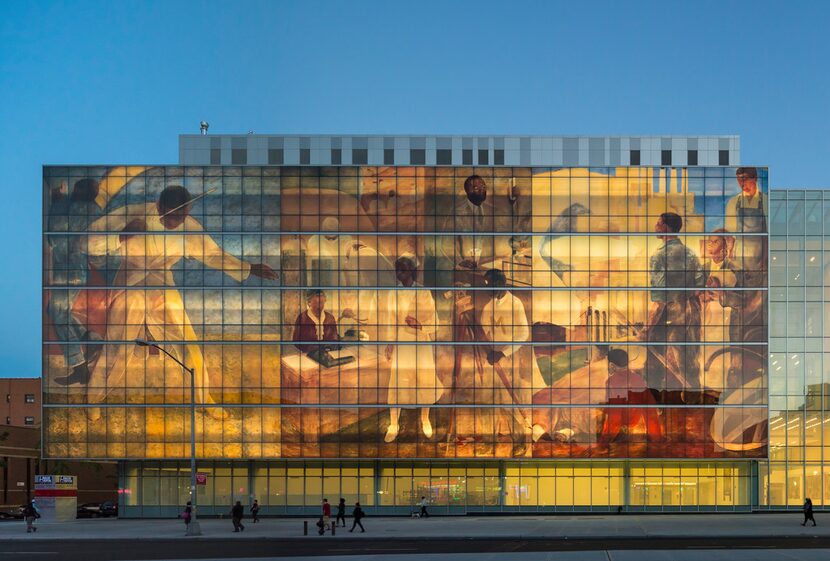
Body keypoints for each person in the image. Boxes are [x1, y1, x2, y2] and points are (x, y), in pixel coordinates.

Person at [84, 185, 279, 418]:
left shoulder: (189, 228)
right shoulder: (132, 214)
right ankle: (93, 399)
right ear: (158, 205)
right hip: (130, 285)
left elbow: (213, 255)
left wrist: (249, 268)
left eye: (181, 216)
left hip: (162, 286)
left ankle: (204, 399)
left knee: (188, 342)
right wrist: (121, 236)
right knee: (118, 344)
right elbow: (87, 242)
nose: (176, 222)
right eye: (171, 215)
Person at [478, 269, 546, 456]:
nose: (488, 289)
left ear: (501, 284)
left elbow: (523, 334)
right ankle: (489, 441)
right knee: (488, 400)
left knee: (510, 401)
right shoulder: (489, 306)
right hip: (493, 359)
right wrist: (490, 350)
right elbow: (485, 329)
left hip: (509, 358)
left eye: (490, 284)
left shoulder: (515, 304)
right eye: (486, 285)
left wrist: (503, 352)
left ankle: (519, 442)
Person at [641, 212, 705, 407]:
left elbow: (659, 299)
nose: (655, 225)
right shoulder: (691, 254)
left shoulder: (658, 256)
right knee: (690, 363)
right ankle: (695, 406)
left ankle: (654, 406)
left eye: (659, 223)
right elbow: (698, 287)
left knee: (653, 363)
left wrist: (646, 329)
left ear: (667, 227)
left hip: (668, 317)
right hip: (690, 313)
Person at [384, 256, 442, 442]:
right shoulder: (393, 293)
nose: (399, 274)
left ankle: (425, 419)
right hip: (402, 343)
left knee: (424, 380)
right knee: (398, 381)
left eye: (403, 270)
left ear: (412, 271)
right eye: (397, 270)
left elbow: (435, 322)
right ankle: (394, 423)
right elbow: (391, 321)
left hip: (420, 344)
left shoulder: (424, 293)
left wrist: (419, 325)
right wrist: (390, 343)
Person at [598, 349, 662, 444]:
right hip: (636, 419)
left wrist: (603, 442)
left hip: (623, 421)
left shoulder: (611, 381)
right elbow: (650, 410)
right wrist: (657, 438)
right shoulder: (638, 379)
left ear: (612, 365)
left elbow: (614, 416)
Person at [725, 167, 767, 287]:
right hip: (740, 253)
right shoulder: (733, 202)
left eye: (745, 179)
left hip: (759, 254)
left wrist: (764, 259)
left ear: (755, 179)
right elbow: (730, 233)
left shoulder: (765, 200)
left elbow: (768, 234)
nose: (742, 184)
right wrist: (730, 252)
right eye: (739, 180)